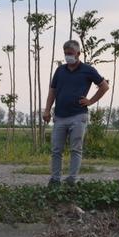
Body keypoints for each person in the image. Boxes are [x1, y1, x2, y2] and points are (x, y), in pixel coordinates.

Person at [44, 40, 110, 187]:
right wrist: (47, 109)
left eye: (71, 54)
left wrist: (91, 101)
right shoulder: (60, 70)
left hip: (78, 116)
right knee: (56, 149)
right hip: (60, 116)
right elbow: (52, 90)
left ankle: (72, 179)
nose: (68, 57)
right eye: (66, 54)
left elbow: (104, 86)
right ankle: (55, 179)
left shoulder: (88, 70)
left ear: (78, 54)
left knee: (76, 148)